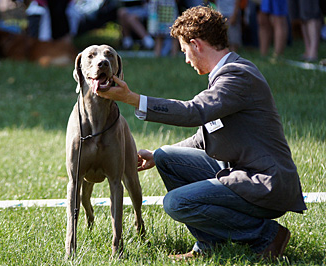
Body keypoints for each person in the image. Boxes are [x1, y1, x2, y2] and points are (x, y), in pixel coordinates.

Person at [96, 6, 306, 260]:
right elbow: (203, 136)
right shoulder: (227, 74)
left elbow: (193, 112)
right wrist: (155, 155)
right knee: (166, 156)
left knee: (176, 203)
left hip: (265, 184)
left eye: (185, 50)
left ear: (196, 44)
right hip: (244, 174)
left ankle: (266, 235)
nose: (186, 59)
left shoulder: (238, 76)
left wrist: (132, 99)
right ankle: (209, 244)